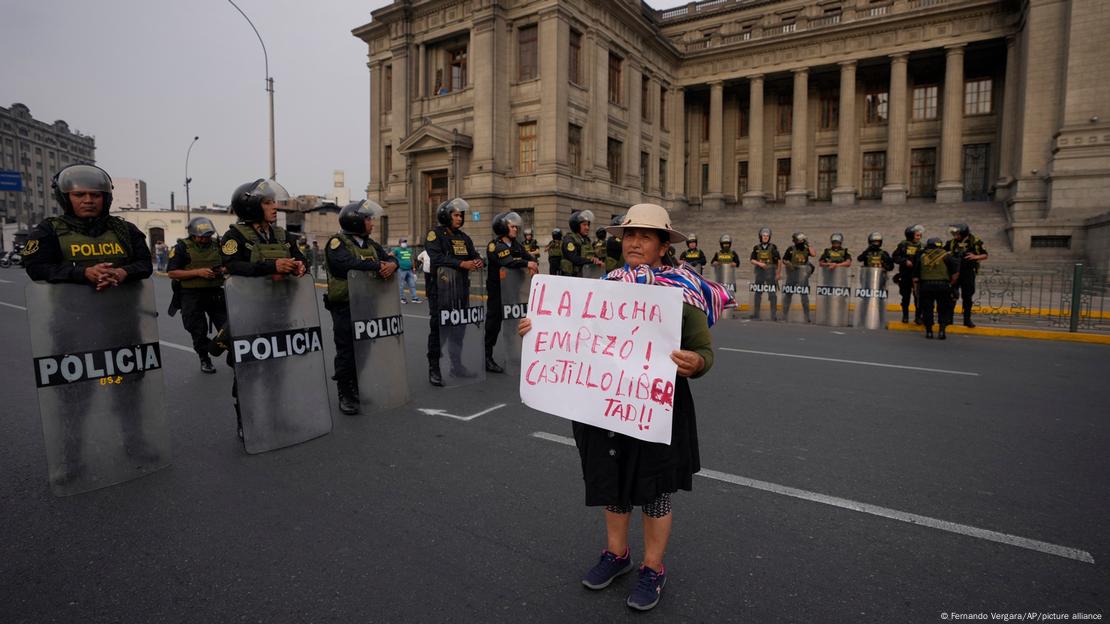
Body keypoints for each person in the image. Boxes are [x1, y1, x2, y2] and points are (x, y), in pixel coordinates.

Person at [518, 203, 728, 612]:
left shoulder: (682, 291)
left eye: (645, 236)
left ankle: (653, 567)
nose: (634, 242)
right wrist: (538, 325)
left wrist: (697, 363)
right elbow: (576, 333)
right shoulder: (605, 285)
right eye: (629, 235)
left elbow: (703, 351)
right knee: (612, 483)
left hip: (655, 406)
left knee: (655, 492)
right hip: (605, 404)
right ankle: (617, 555)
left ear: (664, 245)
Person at [23, 164, 158, 484]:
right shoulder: (49, 230)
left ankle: (135, 444)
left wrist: (123, 273)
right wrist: (82, 273)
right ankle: (70, 458)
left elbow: (145, 264)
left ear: (106, 197)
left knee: (127, 393)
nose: (88, 200)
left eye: (95, 195)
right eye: (79, 194)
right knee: (74, 398)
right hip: (72, 329)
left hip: (121, 326)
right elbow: (36, 268)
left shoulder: (125, 230)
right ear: (65, 197)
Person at [216, 178, 306, 445]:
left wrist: (300, 267)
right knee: (247, 371)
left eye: (273, 201)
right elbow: (232, 266)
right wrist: (272, 267)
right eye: (268, 202)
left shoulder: (281, 235)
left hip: (279, 311)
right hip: (248, 314)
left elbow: (299, 257)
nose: (274, 207)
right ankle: (247, 421)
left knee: (277, 370)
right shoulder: (234, 237)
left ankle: (277, 417)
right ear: (252, 206)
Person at [324, 200, 398, 414]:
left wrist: (392, 264)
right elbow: (344, 265)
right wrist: (377, 266)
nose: (372, 223)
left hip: (368, 304)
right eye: (367, 219)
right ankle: (344, 392)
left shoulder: (371, 245)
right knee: (346, 351)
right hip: (345, 305)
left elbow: (391, 258)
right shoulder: (337, 243)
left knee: (364, 349)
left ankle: (356, 386)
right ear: (355, 221)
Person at [425, 197, 484, 386]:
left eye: (461, 215)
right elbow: (436, 257)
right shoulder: (435, 235)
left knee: (459, 329)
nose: (459, 219)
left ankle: (456, 366)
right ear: (446, 216)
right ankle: (434, 368)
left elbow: (474, 255)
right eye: (456, 215)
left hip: (460, 289)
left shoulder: (464, 238)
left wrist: (478, 261)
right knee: (439, 330)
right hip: (440, 290)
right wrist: (461, 263)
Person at [166, 216, 227, 374]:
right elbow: (172, 272)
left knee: (227, 327)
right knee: (197, 330)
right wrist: (198, 272)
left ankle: (232, 355)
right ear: (192, 234)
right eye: (201, 236)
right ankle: (204, 358)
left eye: (207, 236)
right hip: (191, 295)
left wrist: (222, 270)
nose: (205, 239)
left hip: (215, 293)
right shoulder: (181, 248)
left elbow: (229, 264)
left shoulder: (217, 245)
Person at [483, 211, 537, 373]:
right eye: (512, 227)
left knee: (513, 324)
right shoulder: (495, 245)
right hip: (497, 292)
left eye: (516, 227)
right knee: (493, 325)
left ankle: (512, 354)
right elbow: (508, 261)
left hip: (513, 290)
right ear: (503, 227)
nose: (516, 229)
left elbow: (528, 257)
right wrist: (527, 263)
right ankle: (487, 357)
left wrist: (531, 263)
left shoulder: (516, 245)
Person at [914, 237, 960, 340]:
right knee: (943, 309)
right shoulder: (947, 256)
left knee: (927, 309)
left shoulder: (921, 256)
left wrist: (916, 289)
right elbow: (955, 273)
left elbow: (916, 277)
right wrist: (951, 284)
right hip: (943, 286)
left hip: (926, 286)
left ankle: (929, 332)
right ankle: (942, 331)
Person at [945, 223, 988, 328]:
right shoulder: (951, 243)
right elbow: (942, 252)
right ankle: (949, 319)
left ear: (963, 233)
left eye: (957, 233)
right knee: (951, 296)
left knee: (967, 297)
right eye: (953, 233)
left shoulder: (974, 242)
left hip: (968, 273)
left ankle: (967, 320)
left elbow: (985, 255)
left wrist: (975, 256)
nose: (954, 235)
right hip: (954, 273)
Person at [892, 225, 925, 324]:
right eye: (917, 235)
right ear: (910, 236)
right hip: (905, 274)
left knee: (918, 297)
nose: (919, 237)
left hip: (917, 275)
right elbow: (895, 257)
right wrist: (904, 261)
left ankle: (918, 317)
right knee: (905, 296)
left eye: (920, 235)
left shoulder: (922, 246)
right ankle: (905, 316)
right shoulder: (903, 245)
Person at [781, 232, 815, 323]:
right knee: (788, 295)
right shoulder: (791, 249)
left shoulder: (806, 248)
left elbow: (813, 254)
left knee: (804, 297)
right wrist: (788, 264)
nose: (795, 241)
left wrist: (807, 244)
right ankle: (784, 315)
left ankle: (807, 316)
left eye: (796, 239)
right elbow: (784, 259)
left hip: (802, 276)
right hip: (792, 274)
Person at [749, 227, 781, 320]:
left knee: (772, 294)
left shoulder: (773, 247)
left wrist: (778, 273)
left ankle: (773, 315)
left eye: (767, 236)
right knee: (758, 293)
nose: (765, 237)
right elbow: (752, 260)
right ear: (760, 236)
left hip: (770, 273)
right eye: (764, 236)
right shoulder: (756, 248)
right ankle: (756, 314)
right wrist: (759, 263)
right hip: (759, 273)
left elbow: (779, 261)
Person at [562, 210, 603, 277]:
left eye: (588, 225)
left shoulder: (586, 240)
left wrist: (596, 259)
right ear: (576, 226)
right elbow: (575, 259)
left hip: (585, 275)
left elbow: (591, 255)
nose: (587, 228)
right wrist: (591, 261)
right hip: (571, 278)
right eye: (584, 225)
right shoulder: (569, 240)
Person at [392, 237, 420, 303]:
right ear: (399, 244)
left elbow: (411, 259)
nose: (404, 243)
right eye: (403, 242)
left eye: (405, 242)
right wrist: (394, 265)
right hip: (401, 270)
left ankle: (415, 298)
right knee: (401, 285)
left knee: (412, 284)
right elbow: (390, 255)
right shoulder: (397, 250)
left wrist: (413, 268)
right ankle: (402, 298)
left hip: (409, 270)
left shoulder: (409, 250)